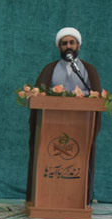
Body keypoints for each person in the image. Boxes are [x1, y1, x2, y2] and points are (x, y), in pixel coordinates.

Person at [26, 27, 102, 204]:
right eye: (64, 43)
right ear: (59, 47)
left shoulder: (89, 70)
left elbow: (96, 96)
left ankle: (79, 199)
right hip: (51, 124)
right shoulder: (49, 69)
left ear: (78, 46)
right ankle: (43, 197)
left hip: (81, 125)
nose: (68, 46)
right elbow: (39, 95)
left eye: (72, 43)